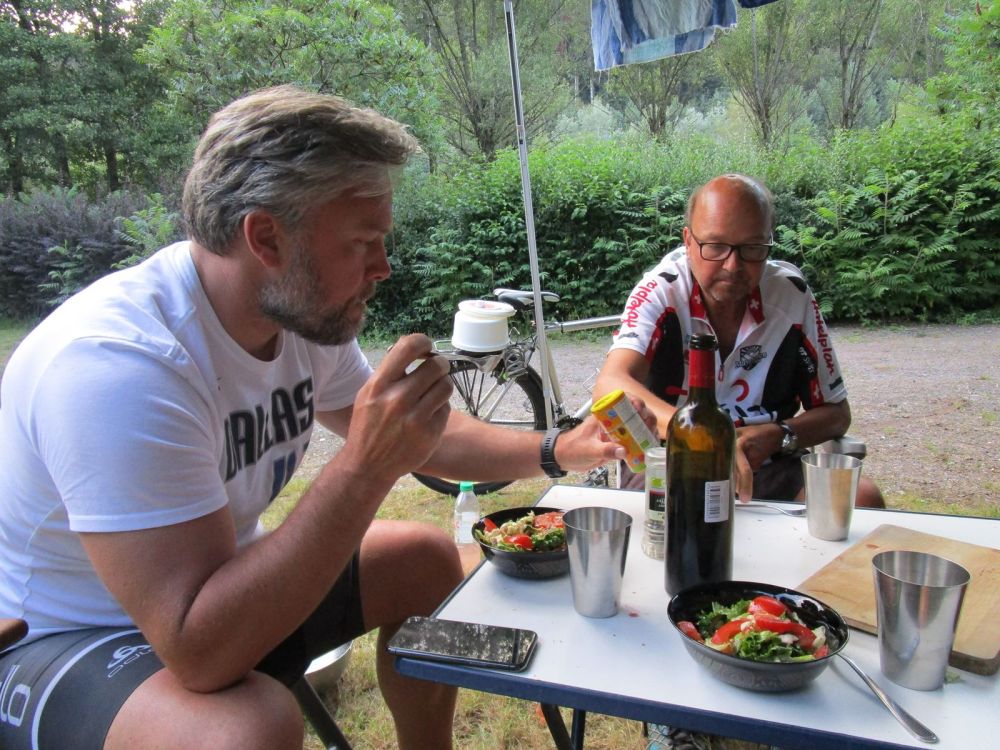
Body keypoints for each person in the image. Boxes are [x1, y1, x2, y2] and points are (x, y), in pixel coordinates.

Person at [0, 86, 630, 750]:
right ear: (266, 237)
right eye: (362, 243)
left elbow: (425, 436)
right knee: (247, 729)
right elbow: (198, 649)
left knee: (421, 559)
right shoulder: (120, 366)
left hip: (212, 595)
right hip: (69, 636)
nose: (383, 268)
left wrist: (559, 448)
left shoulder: (297, 315)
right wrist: (363, 469)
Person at [595, 173, 884, 507]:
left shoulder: (792, 295)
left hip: (767, 464)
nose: (733, 265)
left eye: (752, 248)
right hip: (670, 459)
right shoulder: (661, 290)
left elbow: (836, 413)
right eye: (715, 246)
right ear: (688, 241)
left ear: (768, 242)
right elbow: (610, 383)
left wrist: (778, 435)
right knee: (684, 515)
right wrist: (701, 434)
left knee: (861, 498)